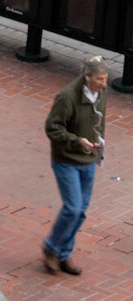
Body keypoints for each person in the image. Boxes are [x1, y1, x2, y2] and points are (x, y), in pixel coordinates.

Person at [43, 54, 107, 276]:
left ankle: (63, 254)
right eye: (99, 79)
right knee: (72, 207)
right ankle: (51, 249)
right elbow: (52, 128)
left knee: (80, 212)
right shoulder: (67, 97)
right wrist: (77, 141)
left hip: (88, 160)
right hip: (67, 160)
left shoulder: (101, 93)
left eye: (105, 79)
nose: (103, 84)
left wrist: (98, 145)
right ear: (86, 76)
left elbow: (99, 120)